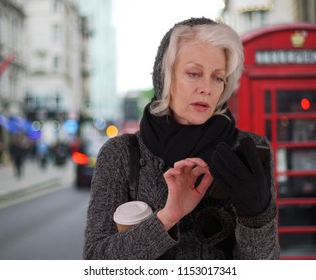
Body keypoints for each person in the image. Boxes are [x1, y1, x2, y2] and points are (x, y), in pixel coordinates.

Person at [83, 17, 280, 259]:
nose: (207, 88)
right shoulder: (120, 154)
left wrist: (256, 217)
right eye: (194, 73)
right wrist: (167, 217)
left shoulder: (249, 149)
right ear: (165, 77)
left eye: (218, 77)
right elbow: (96, 260)